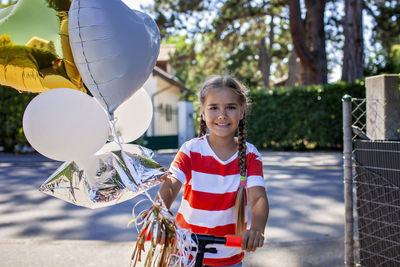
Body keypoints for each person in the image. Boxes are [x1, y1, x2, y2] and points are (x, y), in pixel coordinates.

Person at [156, 75, 269, 266]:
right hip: (185, 251)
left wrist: (257, 229)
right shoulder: (191, 150)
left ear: (242, 112)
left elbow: (258, 198)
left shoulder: (250, 155)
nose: (222, 115)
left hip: (229, 254)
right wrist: (159, 215)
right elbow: (170, 185)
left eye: (231, 107)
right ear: (202, 112)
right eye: (214, 107)